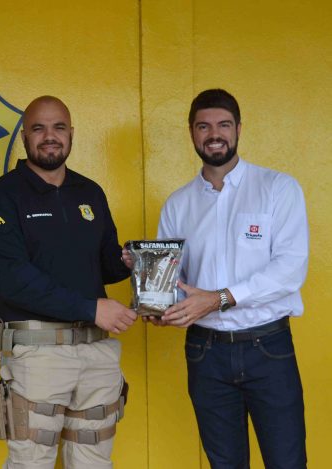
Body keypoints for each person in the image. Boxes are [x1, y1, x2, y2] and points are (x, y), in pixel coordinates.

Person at [0, 96, 136, 469]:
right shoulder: (2, 195)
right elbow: (13, 278)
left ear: (71, 133)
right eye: (39, 128)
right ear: (24, 137)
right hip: (38, 354)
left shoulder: (90, 192)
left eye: (59, 127)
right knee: (31, 462)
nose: (50, 136)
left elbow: (104, 265)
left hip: (96, 352)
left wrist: (130, 261)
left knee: (95, 462)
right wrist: (90, 308)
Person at [156, 89, 308, 468]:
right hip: (205, 352)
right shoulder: (178, 204)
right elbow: (174, 284)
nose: (214, 134)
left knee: (287, 462)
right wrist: (157, 296)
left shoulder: (278, 188)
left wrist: (219, 298)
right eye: (203, 126)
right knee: (224, 464)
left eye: (223, 125)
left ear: (238, 129)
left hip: (268, 348)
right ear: (191, 133)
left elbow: (290, 268)